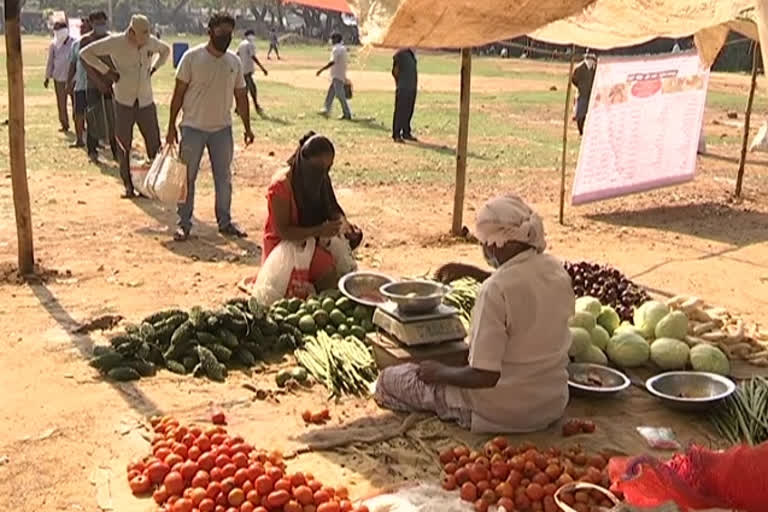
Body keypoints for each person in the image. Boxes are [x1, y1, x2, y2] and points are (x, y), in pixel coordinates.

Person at [374, 196, 575, 433]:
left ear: (494, 243)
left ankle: (451, 409)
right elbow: (522, 285)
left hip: (503, 412)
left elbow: (484, 376)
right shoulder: (556, 270)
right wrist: (473, 272)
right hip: (550, 404)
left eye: (483, 242)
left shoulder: (494, 291)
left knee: (388, 380)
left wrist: (440, 372)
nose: (483, 248)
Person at [166, 12, 254, 242]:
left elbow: (241, 96)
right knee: (187, 178)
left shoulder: (234, 62)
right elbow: (178, 95)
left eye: (229, 32)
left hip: (222, 130)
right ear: (210, 31)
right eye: (221, 31)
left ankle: (224, 222)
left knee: (223, 178)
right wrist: (171, 127)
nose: (225, 36)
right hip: (192, 128)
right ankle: (183, 223)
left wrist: (247, 127)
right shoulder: (191, 58)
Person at [81, 14, 171, 198]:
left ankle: (153, 183)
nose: (143, 42)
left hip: (146, 100)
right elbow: (86, 53)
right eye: (140, 37)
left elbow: (166, 50)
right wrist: (108, 72)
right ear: (131, 32)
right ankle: (128, 185)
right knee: (124, 144)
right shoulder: (115, 42)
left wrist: (154, 67)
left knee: (154, 143)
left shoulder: (150, 42)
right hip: (124, 100)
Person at [262, 132, 357, 292]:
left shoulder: (319, 178)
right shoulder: (281, 187)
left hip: (310, 239)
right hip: (283, 246)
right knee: (327, 270)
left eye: (327, 168)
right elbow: (284, 232)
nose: (322, 173)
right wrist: (319, 230)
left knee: (341, 267)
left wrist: (344, 226)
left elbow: (331, 207)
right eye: (318, 168)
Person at [79, 11, 118, 163]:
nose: (100, 26)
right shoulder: (86, 41)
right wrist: (98, 82)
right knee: (93, 116)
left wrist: (110, 80)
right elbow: (86, 65)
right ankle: (92, 149)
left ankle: (116, 151)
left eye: (102, 22)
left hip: (111, 84)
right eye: (96, 23)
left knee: (113, 118)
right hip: (93, 84)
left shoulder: (111, 40)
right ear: (91, 23)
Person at [45, 21, 75, 133]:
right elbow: (50, 61)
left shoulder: (74, 42)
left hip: (73, 78)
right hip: (58, 77)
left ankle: (79, 123)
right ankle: (64, 124)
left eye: (59, 29)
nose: (58, 32)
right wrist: (47, 77)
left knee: (76, 102)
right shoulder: (53, 44)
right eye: (55, 30)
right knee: (61, 103)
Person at [67, 17, 92, 148]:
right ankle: (79, 139)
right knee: (78, 113)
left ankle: (96, 140)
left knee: (93, 114)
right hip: (80, 83)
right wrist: (69, 81)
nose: (82, 29)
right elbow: (72, 64)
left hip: (94, 85)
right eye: (81, 27)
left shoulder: (96, 43)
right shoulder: (75, 44)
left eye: (84, 27)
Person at [316, 33, 351, 120]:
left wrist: (321, 70)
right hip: (340, 73)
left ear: (335, 39)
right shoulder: (343, 48)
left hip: (337, 74)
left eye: (332, 39)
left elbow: (332, 62)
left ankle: (347, 113)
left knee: (340, 95)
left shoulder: (336, 49)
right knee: (331, 93)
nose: (331, 41)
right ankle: (326, 109)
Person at [237, 30, 269, 116]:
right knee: (252, 89)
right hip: (247, 71)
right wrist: (262, 68)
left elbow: (237, 54)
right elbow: (253, 57)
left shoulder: (241, 44)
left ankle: (238, 108)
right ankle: (256, 106)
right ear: (249, 35)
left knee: (245, 90)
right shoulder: (249, 44)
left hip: (242, 70)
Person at [391, 48, 418, 143]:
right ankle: (396, 134)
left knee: (409, 111)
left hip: (412, 87)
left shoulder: (411, 54)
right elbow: (395, 71)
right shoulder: (400, 54)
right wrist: (399, 83)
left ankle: (406, 132)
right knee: (400, 111)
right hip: (403, 88)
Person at [572, 53, 596, 136]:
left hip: (591, 94)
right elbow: (574, 79)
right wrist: (581, 87)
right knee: (580, 113)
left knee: (589, 113)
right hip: (582, 93)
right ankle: (581, 130)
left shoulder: (594, 69)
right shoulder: (579, 68)